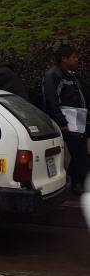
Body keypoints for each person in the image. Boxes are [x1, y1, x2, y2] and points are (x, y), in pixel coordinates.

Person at [42, 45, 88, 195]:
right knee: (79, 153)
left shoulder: (71, 75)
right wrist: (62, 123)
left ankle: (72, 181)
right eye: (74, 57)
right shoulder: (53, 75)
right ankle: (76, 184)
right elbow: (51, 100)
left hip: (78, 119)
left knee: (80, 152)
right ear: (64, 59)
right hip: (68, 122)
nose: (77, 60)